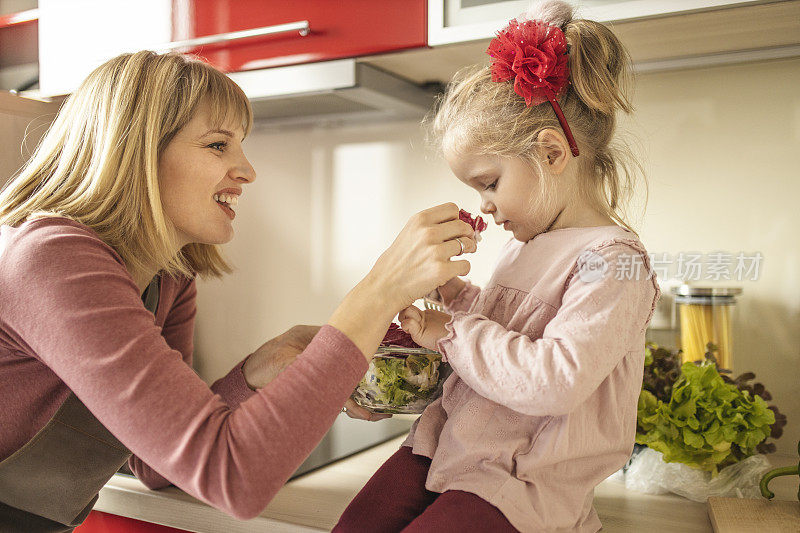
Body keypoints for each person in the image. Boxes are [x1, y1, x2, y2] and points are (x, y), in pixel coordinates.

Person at [0, 50, 479, 531]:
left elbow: (154, 465)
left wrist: (254, 372)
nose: (247, 170)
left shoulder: (168, 275)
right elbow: (233, 476)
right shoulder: (53, 258)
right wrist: (379, 290)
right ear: (136, 149)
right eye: (216, 145)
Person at [334, 1, 661, 532]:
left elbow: (554, 380)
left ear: (551, 153)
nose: (484, 204)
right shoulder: (525, 244)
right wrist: (452, 296)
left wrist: (450, 332)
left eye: (489, 182)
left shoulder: (613, 263)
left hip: (519, 481)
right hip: (445, 446)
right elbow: (502, 333)